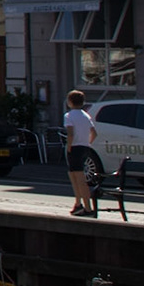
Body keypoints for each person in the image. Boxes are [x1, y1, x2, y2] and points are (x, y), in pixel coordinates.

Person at [64, 89, 100, 218]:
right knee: (73, 174)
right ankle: (78, 203)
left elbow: (70, 133)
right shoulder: (86, 115)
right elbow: (94, 133)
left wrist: (69, 146)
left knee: (79, 178)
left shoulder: (69, 116)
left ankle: (88, 208)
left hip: (74, 148)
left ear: (70, 102)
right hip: (84, 147)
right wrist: (88, 143)